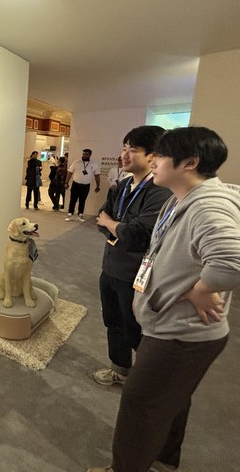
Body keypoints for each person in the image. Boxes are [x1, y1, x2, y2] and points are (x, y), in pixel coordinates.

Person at [88, 127, 240, 472]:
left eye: (160, 155)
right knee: (168, 399)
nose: (154, 161)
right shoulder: (179, 199)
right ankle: (163, 460)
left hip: (182, 332)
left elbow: (238, 263)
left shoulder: (208, 206)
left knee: (140, 404)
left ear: (189, 163)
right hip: (170, 324)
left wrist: (200, 289)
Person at [94, 126, 172, 386]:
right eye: (124, 148)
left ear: (153, 156)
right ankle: (120, 369)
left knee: (137, 328)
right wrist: (115, 227)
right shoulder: (123, 185)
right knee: (113, 321)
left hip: (137, 274)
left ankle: (148, 381)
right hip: (110, 267)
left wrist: (112, 224)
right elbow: (100, 219)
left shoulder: (160, 191)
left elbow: (139, 233)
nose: (124, 155)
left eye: (133, 150)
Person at [65, 148, 101, 222]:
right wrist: (66, 182)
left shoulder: (94, 164)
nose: (84, 155)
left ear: (90, 155)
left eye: (86, 154)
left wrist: (98, 186)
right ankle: (70, 214)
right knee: (73, 200)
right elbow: (70, 173)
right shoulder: (76, 162)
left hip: (86, 185)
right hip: (75, 184)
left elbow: (97, 175)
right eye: (83, 154)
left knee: (82, 200)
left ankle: (80, 214)